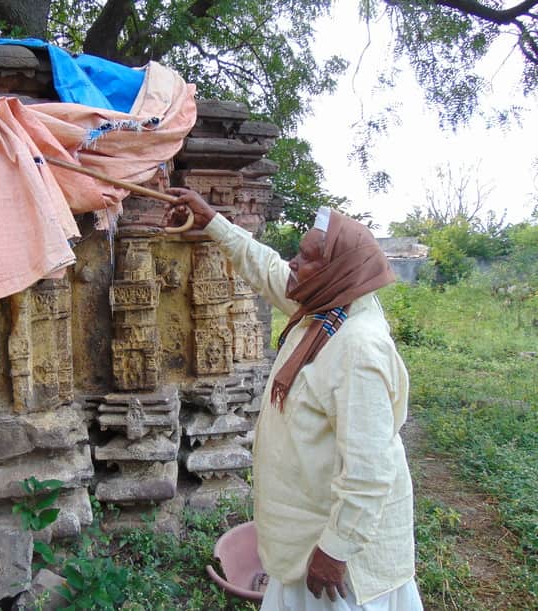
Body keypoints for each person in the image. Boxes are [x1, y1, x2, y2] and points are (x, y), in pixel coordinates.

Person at [167, 188, 423, 611]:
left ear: (337, 270)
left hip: (341, 567)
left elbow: (371, 468)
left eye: (306, 259)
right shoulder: (327, 309)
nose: (293, 265)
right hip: (305, 536)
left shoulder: (358, 346)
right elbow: (267, 268)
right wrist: (211, 220)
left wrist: (336, 550)